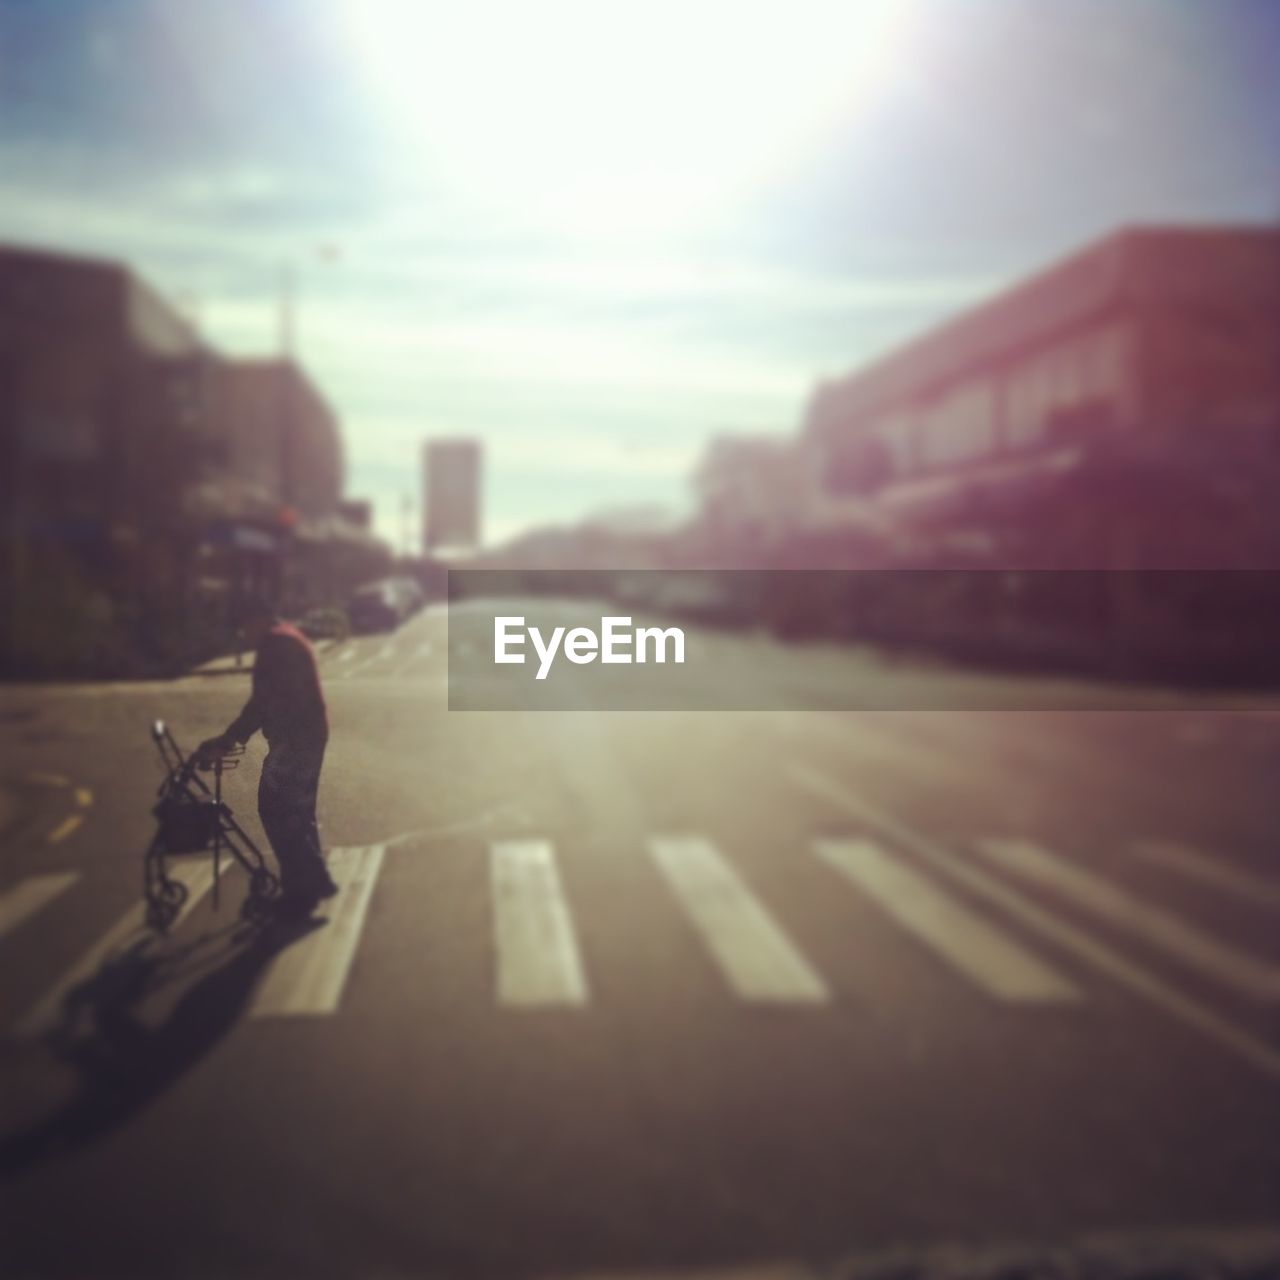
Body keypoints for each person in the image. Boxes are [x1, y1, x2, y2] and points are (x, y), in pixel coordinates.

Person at [198, 598, 338, 917]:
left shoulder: (275, 646)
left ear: (258, 620)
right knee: (297, 811)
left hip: (295, 740)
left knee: (277, 810)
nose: (243, 635)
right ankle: (315, 880)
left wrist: (230, 738)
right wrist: (232, 737)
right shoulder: (286, 637)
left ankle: (301, 893)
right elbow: (265, 701)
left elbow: (263, 702)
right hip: (307, 734)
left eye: (245, 627)